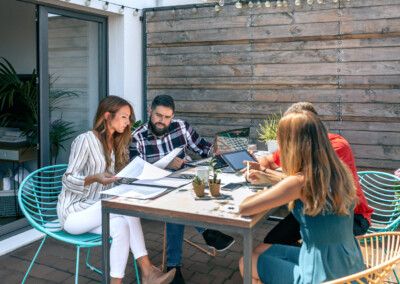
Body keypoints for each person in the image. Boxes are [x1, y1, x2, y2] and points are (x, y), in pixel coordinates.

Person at [57, 96, 176, 284]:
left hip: (94, 209)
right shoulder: (85, 140)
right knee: (125, 206)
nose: (128, 122)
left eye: (128, 117)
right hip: (73, 213)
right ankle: (147, 271)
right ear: (107, 116)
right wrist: (95, 177)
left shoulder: (114, 143)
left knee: (121, 226)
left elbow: (112, 183)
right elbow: (67, 180)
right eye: (123, 117)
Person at [239, 111, 365, 284]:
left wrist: (267, 186)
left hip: (321, 276)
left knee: (245, 261)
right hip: (348, 265)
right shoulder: (339, 170)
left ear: (292, 144)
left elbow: (244, 208)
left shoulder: (300, 181)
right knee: (261, 249)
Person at [129, 94, 235, 284]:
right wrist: (165, 164)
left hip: (183, 185)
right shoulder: (137, 137)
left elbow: (202, 147)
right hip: (154, 188)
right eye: (158, 115)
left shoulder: (181, 127)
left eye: (167, 117)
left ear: (173, 116)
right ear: (150, 112)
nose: (162, 121)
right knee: (175, 203)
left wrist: (221, 150)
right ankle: (206, 233)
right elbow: (136, 169)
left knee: (189, 190)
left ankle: (174, 267)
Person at [244, 102, 373, 245]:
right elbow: (269, 161)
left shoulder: (335, 147)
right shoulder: (295, 145)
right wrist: (255, 168)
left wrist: (265, 174)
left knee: (290, 246)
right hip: (314, 210)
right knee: (273, 241)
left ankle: (310, 263)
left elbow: (306, 183)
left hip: (349, 216)